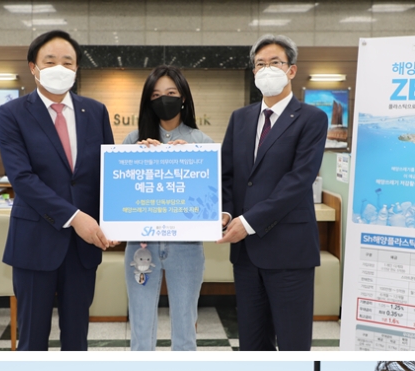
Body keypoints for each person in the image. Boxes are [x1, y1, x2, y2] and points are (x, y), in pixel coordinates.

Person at [0, 30, 115, 350]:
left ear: (77, 69)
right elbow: (22, 178)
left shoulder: (96, 111)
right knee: (32, 336)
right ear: (33, 67)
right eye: (50, 61)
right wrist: (76, 217)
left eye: (68, 62)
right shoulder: (12, 114)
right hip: (35, 241)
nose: (59, 67)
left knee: (76, 337)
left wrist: (116, 220)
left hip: (83, 248)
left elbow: (109, 173)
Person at [219, 34, 327, 352]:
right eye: (260, 64)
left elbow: (298, 181)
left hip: (289, 252)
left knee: (293, 345)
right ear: (253, 73)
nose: (267, 69)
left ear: (291, 70)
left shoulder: (312, 119)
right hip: (246, 255)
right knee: (253, 344)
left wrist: (248, 221)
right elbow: (227, 174)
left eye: (275, 63)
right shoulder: (240, 118)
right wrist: (225, 212)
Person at [122, 66, 213, 351]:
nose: (165, 99)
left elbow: (210, 201)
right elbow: (122, 196)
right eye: (157, 94)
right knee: (140, 327)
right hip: (141, 247)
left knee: (186, 328)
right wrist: (139, 157)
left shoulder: (202, 143)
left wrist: (191, 160)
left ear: (183, 97)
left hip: (186, 248)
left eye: (171, 93)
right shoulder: (133, 140)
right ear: (148, 101)